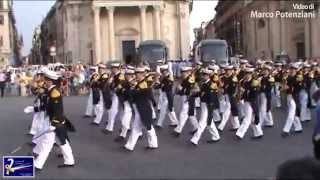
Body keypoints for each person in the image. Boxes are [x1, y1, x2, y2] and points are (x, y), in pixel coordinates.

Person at [34, 70, 75, 170]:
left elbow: (57, 109)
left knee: (47, 143)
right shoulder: (50, 91)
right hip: (53, 120)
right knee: (62, 141)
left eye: (46, 80)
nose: (44, 82)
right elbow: (48, 106)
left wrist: (54, 123)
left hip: (56, 121)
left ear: (50, 81)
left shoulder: (54, 92)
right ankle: (70, 160)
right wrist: (35, 109)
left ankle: (38, 164)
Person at [124, 66, 158, 151]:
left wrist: (132, 88)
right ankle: (153, 144)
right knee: (144, 127)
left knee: (145, 127)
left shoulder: (143, 84)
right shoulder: (139, 83)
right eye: (135, 74)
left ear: (142, 74)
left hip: (143, 108)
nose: (135, 76)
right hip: (139, 108)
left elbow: (136, 94)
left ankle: (130, 146)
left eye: (137, 74)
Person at [190, 68, 220, 146]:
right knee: (209, 122)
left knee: (202, 122)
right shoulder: (204, 84)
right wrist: (193, 95)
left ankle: (195, 139)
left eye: (205, 75)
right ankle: (216, 136)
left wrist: (211, 106)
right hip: (203, 104)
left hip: (208, 105)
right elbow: (201, 93)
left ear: (208, 76)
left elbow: (212, 97)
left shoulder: (212, 84)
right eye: (203, 75)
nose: (203, 76)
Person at [172, 66, 198, 137]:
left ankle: (178, 130)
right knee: (191, 114)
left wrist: (181, 89)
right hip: (185, 97)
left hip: (188, 98)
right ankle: (196, 127)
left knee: (183, 114)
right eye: (182, 72)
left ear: (188, 72)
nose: (183, 74)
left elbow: (191, 90)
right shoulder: (184, 79)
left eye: (184, 72)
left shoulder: (190, 79)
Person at [155, 64, 178, 129]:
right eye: (162, 71)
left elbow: (168, 87)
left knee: (164, 110)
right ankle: (175, 121)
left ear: (166, 71)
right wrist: (157, 84)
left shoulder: (169, 77)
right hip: (164, 95)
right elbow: (159, 86)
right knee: (170, 110)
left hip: (168, 95)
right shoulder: (163, 78)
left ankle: (159, 124)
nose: (162, 72)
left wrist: (160, 84)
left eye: (163, 71)